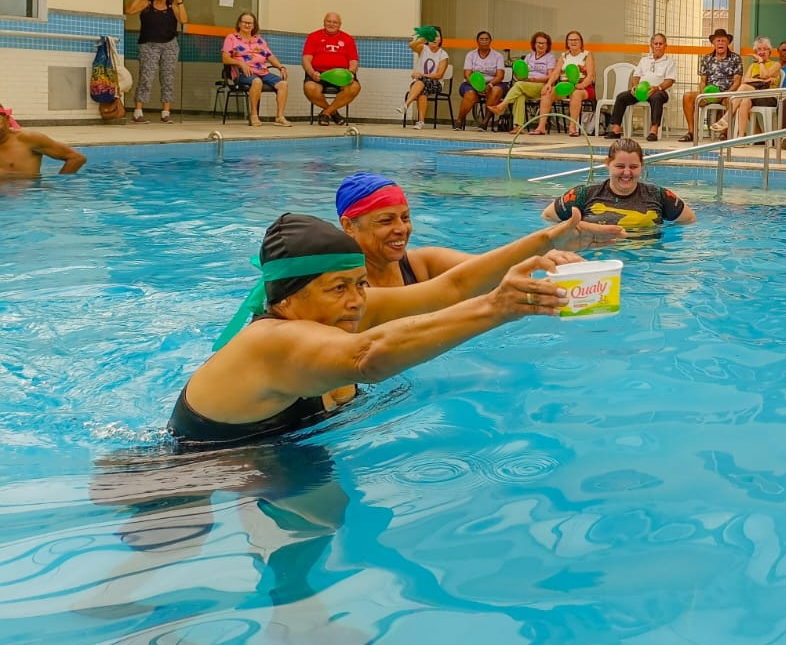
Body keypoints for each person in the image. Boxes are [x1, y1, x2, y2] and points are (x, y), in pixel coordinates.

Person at [167, 209, 611, 447]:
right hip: (191, 474)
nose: (357, 300)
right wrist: (497, 307)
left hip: (284, 458)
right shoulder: (270, 341)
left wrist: (546, 240)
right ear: (287, 297)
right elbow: (367, 357)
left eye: (360, 283)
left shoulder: (341, 310)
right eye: (338, 287)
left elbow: (450, 289)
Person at [335, 172, 470, 287]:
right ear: (349, 226)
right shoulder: (339, 285)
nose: (402, 229)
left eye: (405, 218)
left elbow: (480, 267)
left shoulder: (422, 264)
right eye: (386, 220)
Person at [543, 138, 696, 227]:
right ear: (607, 163)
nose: (627, 173)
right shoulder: (584, 194)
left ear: (641, 166)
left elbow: (689, 219)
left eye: (634, 167)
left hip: (646, 261)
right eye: (620, 166)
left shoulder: (658, 195)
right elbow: (549, 216)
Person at [126, 0, 186, 124]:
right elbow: (128, 10)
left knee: (168, 78)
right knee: (146, 77)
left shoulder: (172, 6)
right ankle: (138, 112)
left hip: (170, 45)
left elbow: (184, 20)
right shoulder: (147, 4)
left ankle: (166, 113)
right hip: (148, 45)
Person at [222, 12, 292, 127]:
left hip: (263, 72)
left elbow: (270, 57)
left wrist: (281, 67)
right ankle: (254, 115)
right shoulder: (232, 38)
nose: (247, 25)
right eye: (245, 22)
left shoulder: (260, 41)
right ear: (239, 24)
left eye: (250, 23)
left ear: (254, 25)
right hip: (243, 72)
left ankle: (280, 117)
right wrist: (241, 63)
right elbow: (225, 58)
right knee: (257, 81)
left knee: (283, 84)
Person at [609, 32, 675, 142]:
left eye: (661, 44)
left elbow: (670, 81)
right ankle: (616, 129)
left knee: (657, 97)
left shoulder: (669, 61)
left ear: (665, 46)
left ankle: (653, 131)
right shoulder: (644, 60)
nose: (658, 46)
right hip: (641, 91)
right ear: (651, 45)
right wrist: (635, 86)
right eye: (656, 44)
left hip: (659, 91)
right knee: (621, 97)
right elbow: (636, 76)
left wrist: (657, 88)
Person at [681, 28, 743, 142]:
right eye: (718, 41)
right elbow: (703, 80)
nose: (720, 43)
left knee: (731, 100)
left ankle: (723, 133)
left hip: (726, 93)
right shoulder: (706, 58)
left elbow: (737, 82)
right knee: (687, 96)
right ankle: (691, 132)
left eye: (723, 41)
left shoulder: (735, 58)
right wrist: (704, 93)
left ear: (728, 43)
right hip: (709, 93)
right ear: (713, 43)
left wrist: (727, 93)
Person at [488, 31, 557, 131]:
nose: (541, 45)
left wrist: (533, 79)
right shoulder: (529, 57)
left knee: (518, 85)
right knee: (520, 95)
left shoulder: (550, 57)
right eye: (538, 43)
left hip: (542, 86)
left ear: (547, 45)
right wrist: (521, 77)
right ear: (534, 44)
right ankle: (518, 126)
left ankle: (502, 106)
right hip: (526, 85)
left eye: (543, 43)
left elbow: (550, 76)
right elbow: (521, 73)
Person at [302, 12, 361, 126]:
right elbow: (306, 59)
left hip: (341, 74)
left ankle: (326, 113)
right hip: (319, 74)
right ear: (324, 22)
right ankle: (334, 114)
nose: (331, 24)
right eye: (329, 21)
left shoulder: (348, 39)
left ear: (340, 24)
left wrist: (351, 72)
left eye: (335, 22)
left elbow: (353, 61)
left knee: (354, 87)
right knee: (309, 88)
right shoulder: (313, 36)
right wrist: (312, 72)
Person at [718, 37, 782, 139]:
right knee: (744, 101)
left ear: (769, 51)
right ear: (756, 52)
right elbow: (745, 80)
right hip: (753, 96)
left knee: (744, 88)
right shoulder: (753, 66)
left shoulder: (776, 64)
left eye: (765, 49)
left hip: (768, 97)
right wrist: (761, 81)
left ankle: (727, 117)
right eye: (759, 49)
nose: (762, 52)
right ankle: (741, 137)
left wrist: (760, 62)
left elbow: (764, 74)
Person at [0, 115, 85, 178]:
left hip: (25, 195)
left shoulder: (28, 139)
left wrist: (62, 184)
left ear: (7, 120)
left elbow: (76, 158)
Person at [454, 31, 506, 132]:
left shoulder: (498, 56)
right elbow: (467, 75)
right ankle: (459, 120)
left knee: (496, 91)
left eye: (487, 39)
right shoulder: (470, 55)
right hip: (472, 84)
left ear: (490, 41)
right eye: (481, 39)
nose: (484, 41)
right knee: (470, 94)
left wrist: (489, 85)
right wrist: (477, 87)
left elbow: (500, 76)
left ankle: (484, 123)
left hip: (493, 83)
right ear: (477, 41)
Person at [402, 26, 450, 130]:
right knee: (423, 90)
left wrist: (421, 75)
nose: (434, 38)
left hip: (436, 84)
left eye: (437, 36)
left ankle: (406, 104)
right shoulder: (423, 48)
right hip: (419, 84)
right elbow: (410, 45)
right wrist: (421, 40)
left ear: (441, 39)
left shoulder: (443, 54)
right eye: (432, 36)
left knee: (422, 82)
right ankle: (420, 122)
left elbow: (439, 75)